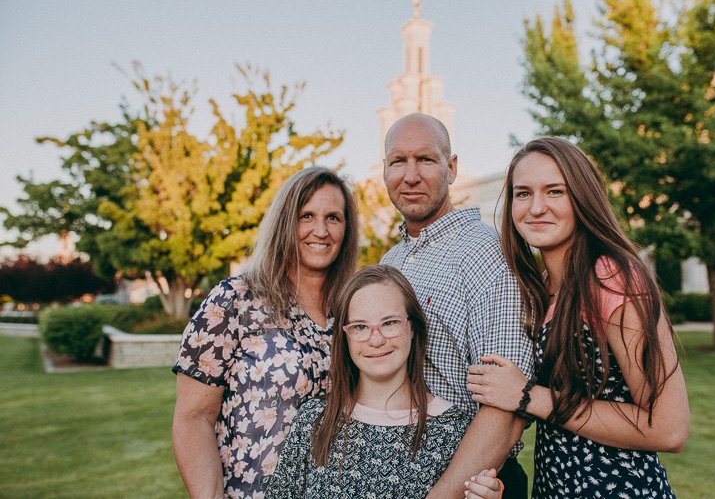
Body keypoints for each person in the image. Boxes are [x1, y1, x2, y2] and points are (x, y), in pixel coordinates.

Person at [466, 137, 690, 498]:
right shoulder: (539, 287)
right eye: (523, 194)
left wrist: (528, 396)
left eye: (555, 191)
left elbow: (669, 427)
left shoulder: (610, 275)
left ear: (582, 197)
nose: (536, 207)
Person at [171, 167, 359, 499]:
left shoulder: (353, 310)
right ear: (285, 221)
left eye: (333, 218)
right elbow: (194, 418)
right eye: (306, 216)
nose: (321, 230)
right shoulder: (235, 300)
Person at [379, 113, 533, 498]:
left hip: (475, 482)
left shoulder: (487, 253)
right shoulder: (389, 262)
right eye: (398, 161)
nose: (410, 176)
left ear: (451, 168)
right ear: (385, 169)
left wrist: (442, 495)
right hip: (394, 473)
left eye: (426, 160)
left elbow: (506, 407)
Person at [266, 265, 503, 499]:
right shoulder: (315, 420)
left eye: (389, 323)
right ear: (345, 336)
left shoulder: (454, 429)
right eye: (360, 327)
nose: (376, 340)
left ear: (412, 328)